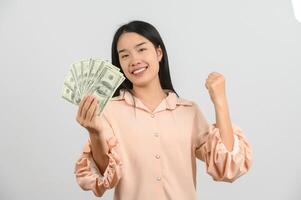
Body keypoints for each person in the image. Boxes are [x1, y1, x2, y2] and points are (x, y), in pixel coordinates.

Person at [74, 20, 253, 200]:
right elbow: (104, 178)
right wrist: (94, 133)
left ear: (158, 53)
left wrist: (220, 101)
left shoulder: (189, 112)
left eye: (142, 49)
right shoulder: (110, 111)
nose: (135, 60)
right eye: (125, 55)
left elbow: (228, 166)